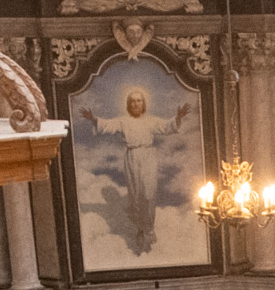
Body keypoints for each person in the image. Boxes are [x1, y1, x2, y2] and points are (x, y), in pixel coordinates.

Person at [77, 84, 191, 252]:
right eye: (133, 101)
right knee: (136, 196)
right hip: (132, 158)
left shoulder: (151, 120)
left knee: (148, 194)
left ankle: (149, 229)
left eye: (139, 101)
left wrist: (178, 117)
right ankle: (141, 229)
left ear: (143, 104)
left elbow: (168, 126)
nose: (136, 104)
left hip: (148, 157)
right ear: (129, 104)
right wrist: (93, 119)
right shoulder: (123, 121)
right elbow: (107, 125)